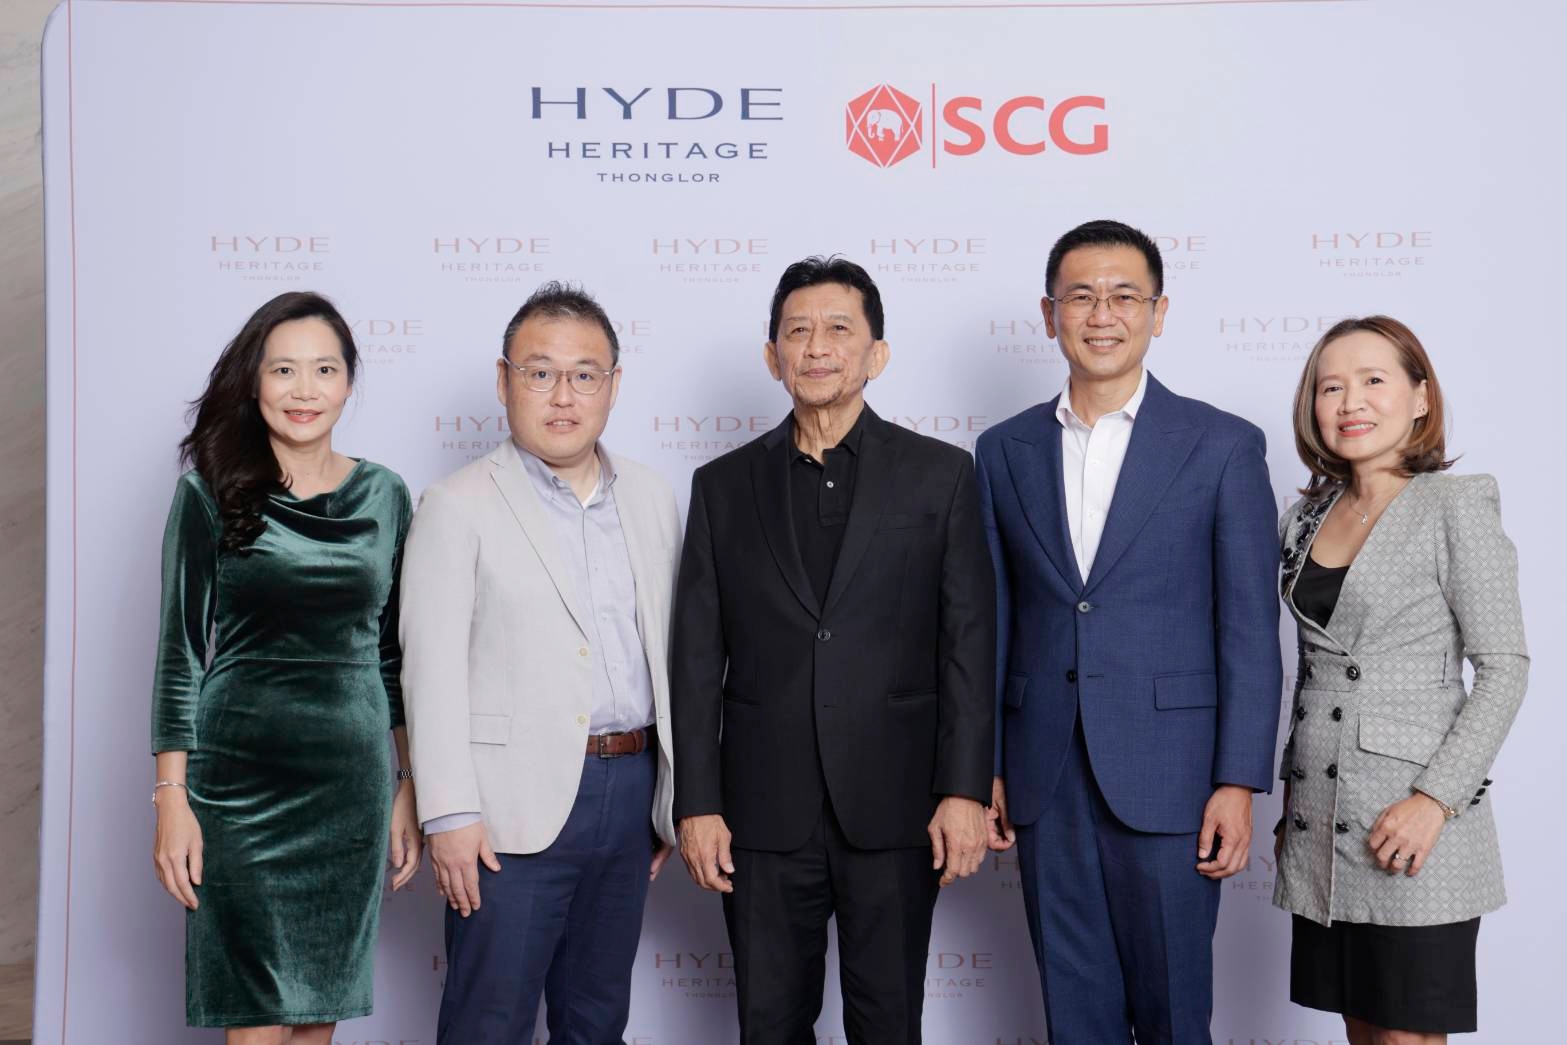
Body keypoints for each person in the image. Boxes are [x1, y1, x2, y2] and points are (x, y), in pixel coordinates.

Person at [672, 256, 996, 1045]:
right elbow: (695, 659)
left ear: (875, 353)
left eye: (838, 329)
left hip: (897, 805)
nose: (816, 347)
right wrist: (696, 802)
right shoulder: (721, 486)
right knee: (768, 1024)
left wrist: (963, 789)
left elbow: (967, 644)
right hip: (758, 812)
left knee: (888, 1023)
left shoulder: (941, 476)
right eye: (797, 331)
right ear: (772, 354)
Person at [975, 219, 1282, 1044]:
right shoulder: (1001, 450)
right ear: (1049, 314)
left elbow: (1249, 630)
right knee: (1073, 1012)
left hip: (1174, 774)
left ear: (1158, 311)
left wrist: (1237, 780)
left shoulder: (1221, 445)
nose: (1101, 314)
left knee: (1174, 1010)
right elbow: (993, 619)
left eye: (1123, 295)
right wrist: (987, 763)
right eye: (1080, 296)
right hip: (1042, 771)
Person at [399, 282, 680, 1044]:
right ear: (503, 381)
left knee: (597, 1021)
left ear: (613, 385)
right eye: (540, 372)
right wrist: (447, 813)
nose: (563, 395)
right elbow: (429, 670)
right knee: (488, 1023)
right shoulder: (456, 503)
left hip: (630, 792)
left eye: (584, 374)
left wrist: (671, 794)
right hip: (504, 811)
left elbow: (669, 652)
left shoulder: (651, 497)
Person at [149, 291, 423, 1043]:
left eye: (324, 369)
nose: (305, 389)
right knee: (256, 1017)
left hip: (349, 786)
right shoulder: (209, 489)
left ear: (349, 382)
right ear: (254, 380)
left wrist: (408, 782)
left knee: (315, 1014)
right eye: (283, 370)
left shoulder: (385, 495)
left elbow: (393, 654)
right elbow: (179, 650)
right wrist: (171, 796)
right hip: (238, 785)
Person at [1272, 316, 1528, 1045]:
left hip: (1412, 821)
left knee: (1405, 1036)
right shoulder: (1303, 517)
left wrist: (1433, 800)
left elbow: (1505, 666)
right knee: (1361, 1031)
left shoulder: (1455, 504)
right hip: (1322, 819)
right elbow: (1314, 670)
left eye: (1372, 380)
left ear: (1420, 397)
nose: (1349, 401)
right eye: (1330, 387)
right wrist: (1292, 799)